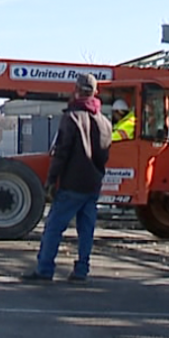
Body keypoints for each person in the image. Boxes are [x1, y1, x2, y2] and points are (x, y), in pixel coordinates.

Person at [22, 73, 112, 283]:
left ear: (76, 90)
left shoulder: (71, 117)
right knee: (86, 230)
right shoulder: (105, 123)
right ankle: (81, 270)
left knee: (54, 227)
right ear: (95, 92)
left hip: (72, 184)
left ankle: (45, 269)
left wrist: (51, 180)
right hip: (93, 184)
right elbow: (104, 155)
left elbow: (61, 153)